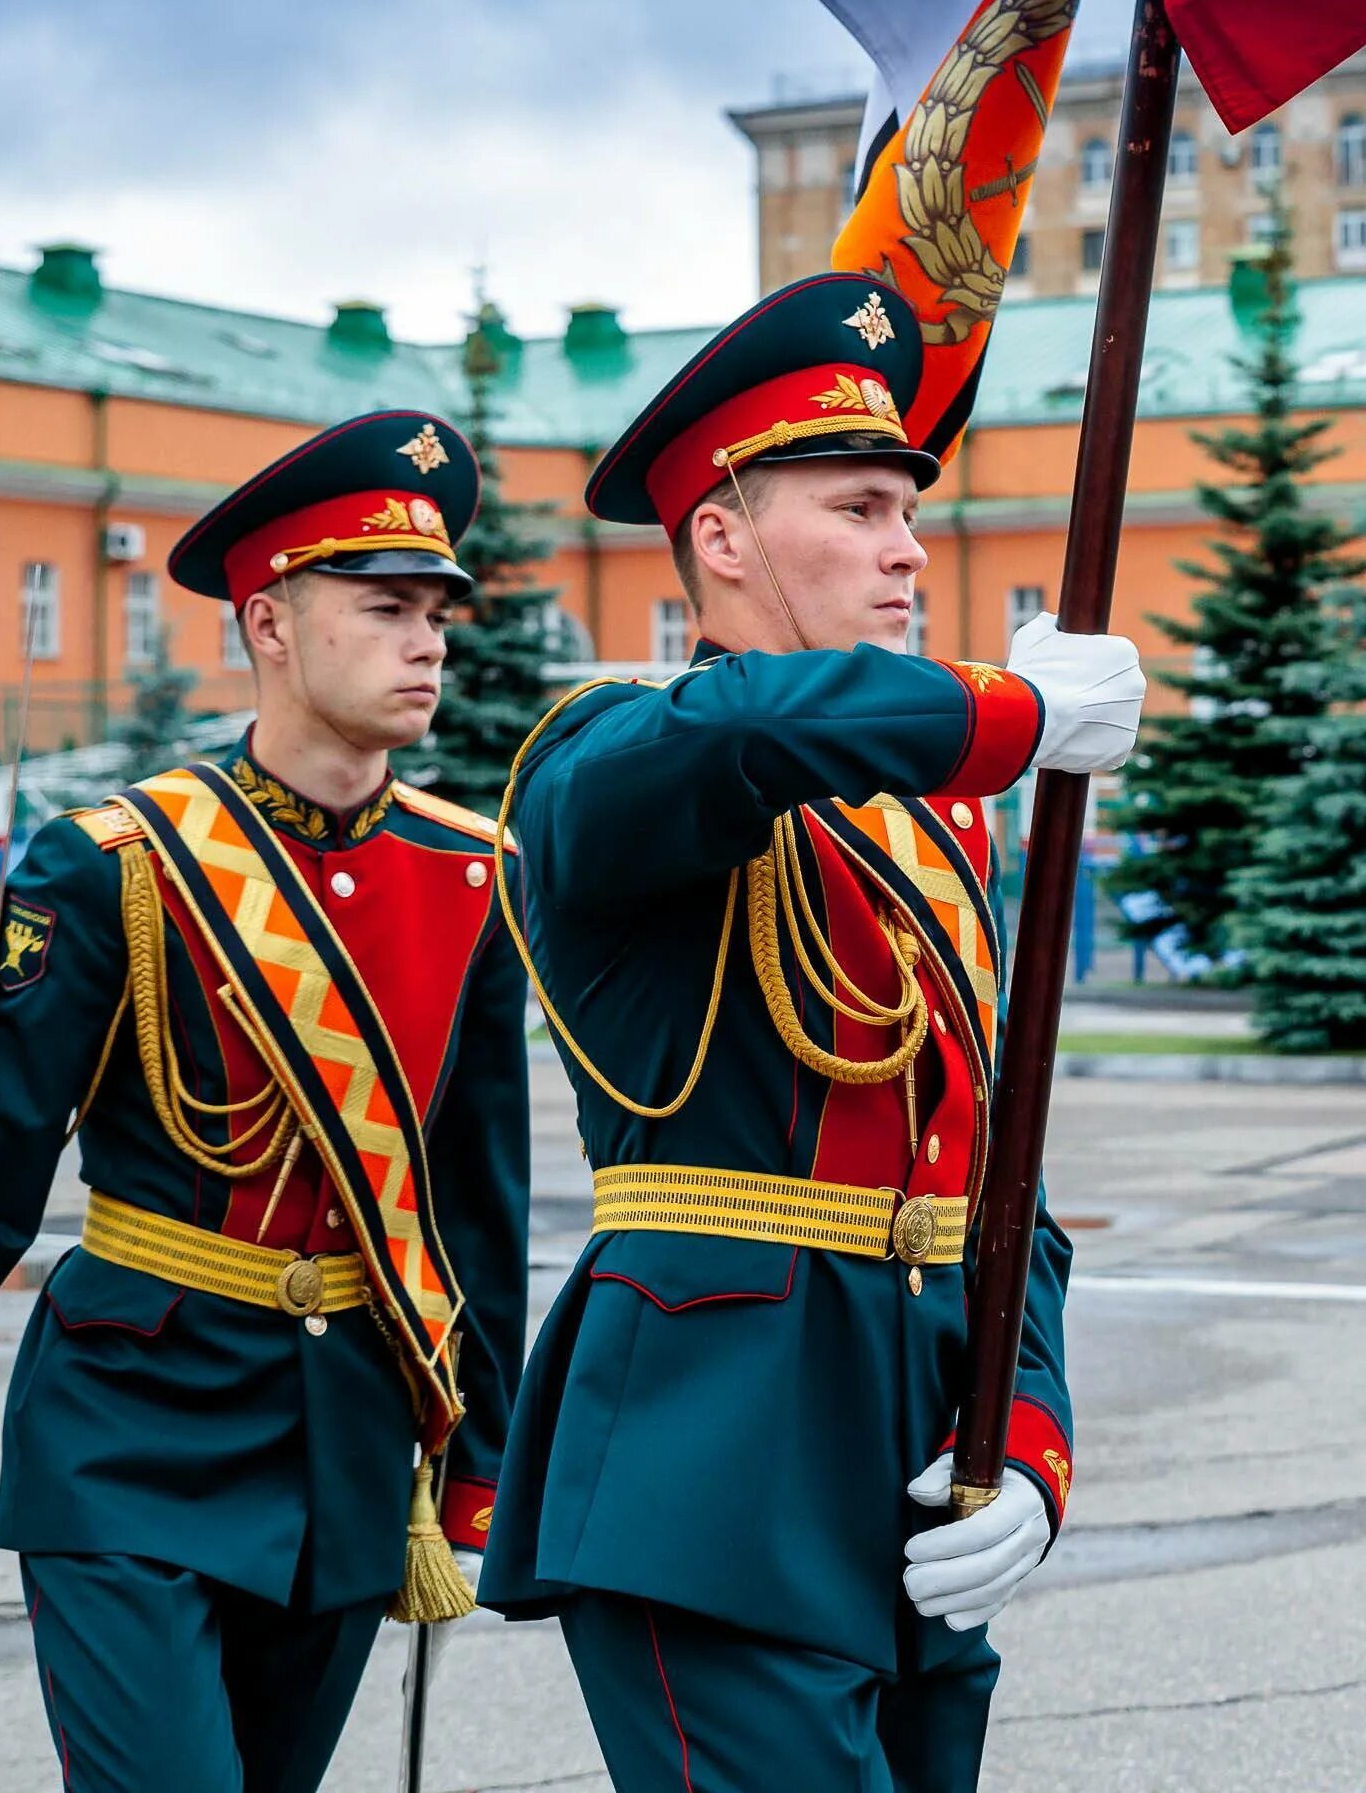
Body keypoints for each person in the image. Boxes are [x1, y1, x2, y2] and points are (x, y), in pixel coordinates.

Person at [0, 411, 532, 1793]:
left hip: (348, 1452)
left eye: (436, 610)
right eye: (385, 608)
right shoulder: (112, 866)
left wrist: (484, 1467)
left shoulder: (472, 873)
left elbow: (473, 1201)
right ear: (268, 623)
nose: (429, 640)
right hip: (134, 1434)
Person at [479, 269, 1144, 1793]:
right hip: (714, 1466)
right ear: (718, 537)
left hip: (917, 1456)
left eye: (905, 509)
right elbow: (748, 730)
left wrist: (1029, 1432)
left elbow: (1004, 1189)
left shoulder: (931, 833)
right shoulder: (607, 761)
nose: (905, 545)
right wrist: (1004, 719)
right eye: (853, 507)